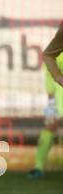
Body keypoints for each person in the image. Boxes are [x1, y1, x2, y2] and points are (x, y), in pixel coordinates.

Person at [28, 22, 63, 179]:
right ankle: (38, 166)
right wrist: (50, 99)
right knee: (50, 126)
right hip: (57, 96)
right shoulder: (56, 52)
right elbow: (50, 75)